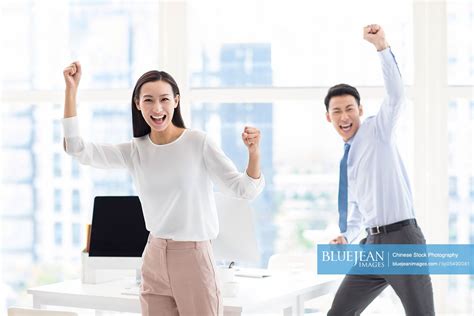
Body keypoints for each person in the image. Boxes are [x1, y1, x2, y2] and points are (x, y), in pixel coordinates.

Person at [62, 62, 264, 316]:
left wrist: (254, 153)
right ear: (137, 104)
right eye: (148, 100)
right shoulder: (136, 150)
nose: (157, 108)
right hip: (154, 255)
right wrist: (71, 90)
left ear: (176, 101)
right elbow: (76, 148)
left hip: (194, 256)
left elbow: (244, 189)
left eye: (164, 99)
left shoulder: (197, 143)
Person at [325, 25, 435, 316]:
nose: (344, 116)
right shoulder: (347, 159)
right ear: (328, 118)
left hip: (402, 240)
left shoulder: (378, 130)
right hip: (372, 245)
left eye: (350, 108)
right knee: (338, 313)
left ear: (360, 111)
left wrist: (382, 48)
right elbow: (360, 211)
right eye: (337, 111)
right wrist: (346, 236)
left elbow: (397, 96)